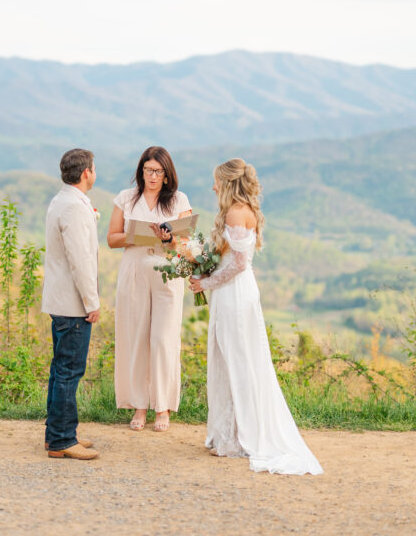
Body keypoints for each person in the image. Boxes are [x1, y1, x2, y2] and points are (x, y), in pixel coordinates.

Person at [190, 158, 323, 475]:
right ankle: (229, 435)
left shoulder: (237, 212)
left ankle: (238, 437)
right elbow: (225, 255)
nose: (213, 187)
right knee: (227, 359)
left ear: (227, 183)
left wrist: (205, 281)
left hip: (235, 294)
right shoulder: (236, 211)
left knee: (239, 361)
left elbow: (238, 264)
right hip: (230, 292)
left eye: (216, 182)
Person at [107, 146, 192, 432]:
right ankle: (139, 406)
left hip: (167, 275)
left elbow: (187, 245)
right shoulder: (126, 198)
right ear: (140, 171)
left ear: (167, 176)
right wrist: (136, 235)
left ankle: (163, 407)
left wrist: (168, 240)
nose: (152, 176)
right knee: (137, 337)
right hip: (134, 272)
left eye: (157, 171)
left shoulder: (179, 200)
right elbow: (112, 238)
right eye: (147, 170)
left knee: (163, 339)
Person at [42, 148, 101, 460]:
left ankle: (59, 433)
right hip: (72, 303)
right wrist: (92, 301)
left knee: (60, 368)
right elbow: (80, 260)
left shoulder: (62, 200)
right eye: (93, 168)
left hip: (60, 298)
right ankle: (63, 439)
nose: (94, 172)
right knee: (69, 370)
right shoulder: (74, 208)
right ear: (85, 173)